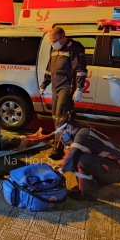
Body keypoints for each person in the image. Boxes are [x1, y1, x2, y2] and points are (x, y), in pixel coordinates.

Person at [56, 111, 120, 202]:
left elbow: (71, 155)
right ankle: (92, 184)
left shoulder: (82, 135)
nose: (62, 135)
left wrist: (59, 172)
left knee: (81, 160)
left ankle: (88, 194)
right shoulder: (82, 132)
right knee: (80, 158)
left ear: (69, 127)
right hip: (118, 165)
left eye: (62, 132)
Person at [39, 26, 88, 161]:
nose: (53, 44)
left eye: (54, 41)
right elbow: (50, 69)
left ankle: (58, 149)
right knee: (56, 117)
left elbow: (80, 69)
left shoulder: (74, 48)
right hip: (56, 88)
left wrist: (79, 88)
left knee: (62, 119)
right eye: (51, 41)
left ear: (63, 37)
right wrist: (44, 84)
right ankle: (67, 143)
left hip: (67, 87)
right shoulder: (55, 49)